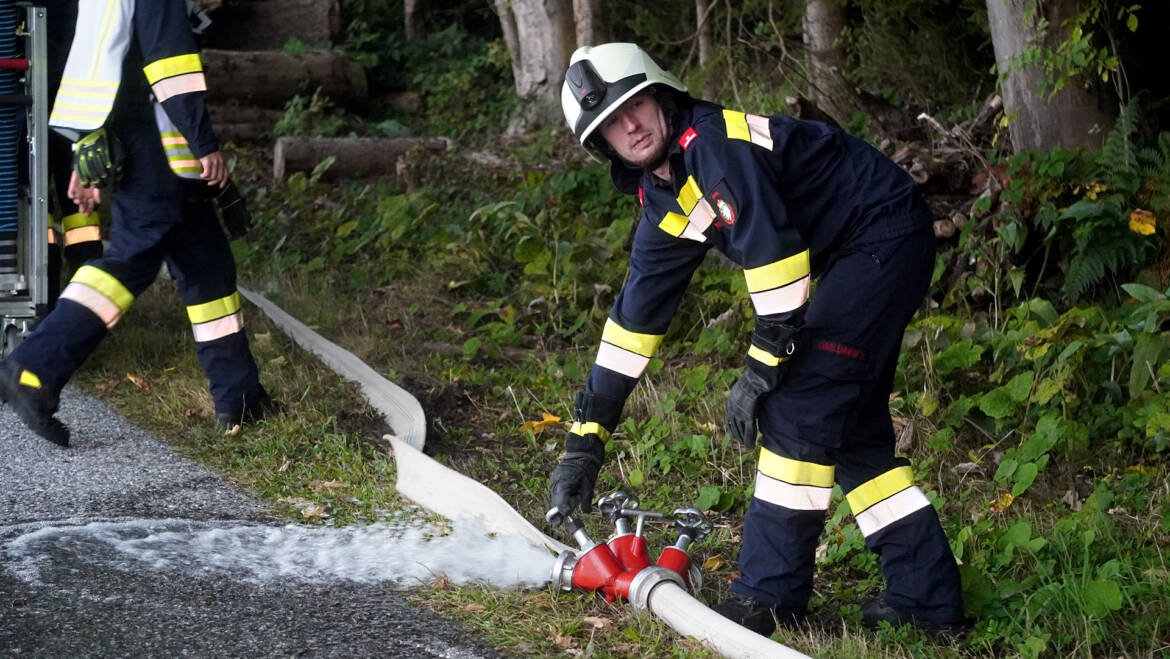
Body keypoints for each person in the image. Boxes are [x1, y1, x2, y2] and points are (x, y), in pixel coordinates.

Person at [547, 43, 967, 637]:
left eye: (635, 105)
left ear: (662, 95)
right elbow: (632, 324)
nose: (631, 126)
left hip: (880, 233)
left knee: (798, 403)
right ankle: (926, 597)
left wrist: (764, 367)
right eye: (611, 123)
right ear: (602, 146)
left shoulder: (713, 144)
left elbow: (777, 257)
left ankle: (768, 599)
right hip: (857, 249)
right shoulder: (663, 197)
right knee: (847, 429)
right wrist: (585, 441)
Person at [0, 0, 271, 447]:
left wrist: (83, 155)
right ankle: (34, 369)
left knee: (209, 271)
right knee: (129, 262)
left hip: (149, 148)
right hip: (158, 153)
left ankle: (240, 397)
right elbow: (172, 69)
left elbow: (96, 61)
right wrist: (205, 144)